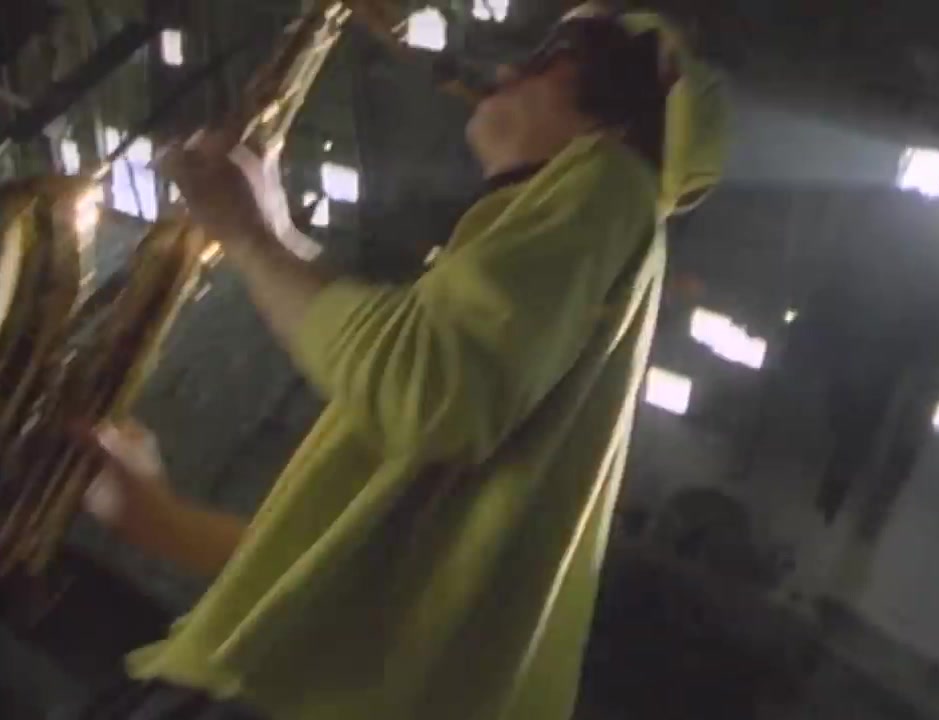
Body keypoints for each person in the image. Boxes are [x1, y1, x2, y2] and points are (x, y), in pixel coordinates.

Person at [70, 5, 727, 719]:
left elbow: (426, 391)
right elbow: (366, 573)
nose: (510, 69)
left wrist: (248, 233)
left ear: (629, 113)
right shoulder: (577, 275)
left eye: (559, 51)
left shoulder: (612, 184)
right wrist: (162, 520)